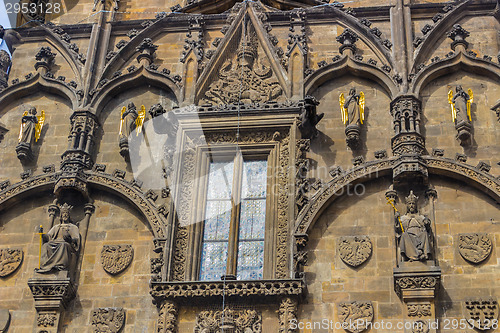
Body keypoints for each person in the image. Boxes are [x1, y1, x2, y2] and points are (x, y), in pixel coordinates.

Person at [36, 204, 80, 273]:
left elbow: (76, 239)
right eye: (63, 213)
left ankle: (60, 265)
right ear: (61, 216)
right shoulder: (56, 227)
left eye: (66, 213)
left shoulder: (73, 227)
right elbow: (48, 236)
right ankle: (45, 266)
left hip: (66, 244)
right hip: (55, 242)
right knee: (46, 246)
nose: (65, 215)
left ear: (69, 216)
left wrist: (70, 239)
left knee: (63, 245)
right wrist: (42, 234)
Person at [395, 191, 432, 261]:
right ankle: (416, 254)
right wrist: (397, 219)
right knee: (404, 235)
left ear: (416, 205)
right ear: (407, 205)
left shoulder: (421, 217)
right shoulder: (403, 218)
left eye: (413, 204)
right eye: (409, 204)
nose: (411, 205)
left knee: (424, 234)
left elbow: (427, 224)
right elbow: (398, 229)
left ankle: (422, 254)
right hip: (409, 236)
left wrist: (426, 223)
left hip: (419, 234)